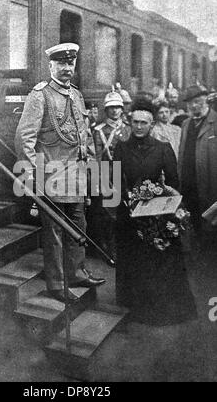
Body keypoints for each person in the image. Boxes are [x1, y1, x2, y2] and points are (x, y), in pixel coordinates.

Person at [15, 43, 105, 303]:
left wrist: (89, 173)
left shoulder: (76, 95)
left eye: (71, 63)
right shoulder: (39, 95)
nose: (67, 68)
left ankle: (76, 273)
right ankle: (56, 283)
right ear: (51, 66)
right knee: (54, 232)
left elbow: (83, 137)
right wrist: (32, 176)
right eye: (61, 64)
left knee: (79, 226)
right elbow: (24, 140)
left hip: (76, 177)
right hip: (51, 175)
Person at [114, 96, 197, 326]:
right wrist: (127, 202)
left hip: (157, 216)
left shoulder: (163, 149)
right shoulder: (120, 148)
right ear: (130, 123)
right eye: (136, 122)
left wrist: (158, 206)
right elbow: (113, 183)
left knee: (160, 263)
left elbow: (173, 184)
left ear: (152, 125)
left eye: (144, 123)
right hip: (130, 215)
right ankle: (134, 309)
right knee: (134, 261)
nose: (139, 127)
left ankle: (160, 309)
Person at [92, 90, 131, 260]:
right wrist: (97, 182)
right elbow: (96, 157)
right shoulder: (99, 130)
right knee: (109, 215)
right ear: (106, 110)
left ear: (122, 109)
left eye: (117, 107)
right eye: (111, 108)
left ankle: (126, 247)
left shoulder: (129, 129)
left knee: (128, 212)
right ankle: (110, 249)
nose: (115, 111)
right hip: (108, 175)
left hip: (128, 176)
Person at [178, 84, 217, 237]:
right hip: (189, 187)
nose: (194, 106)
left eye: (198, 102)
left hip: (211, 189)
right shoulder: (186, 124)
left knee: (211, 232)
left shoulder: (215, 123)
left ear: (206, 101)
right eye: (190, 103)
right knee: (193, 230)